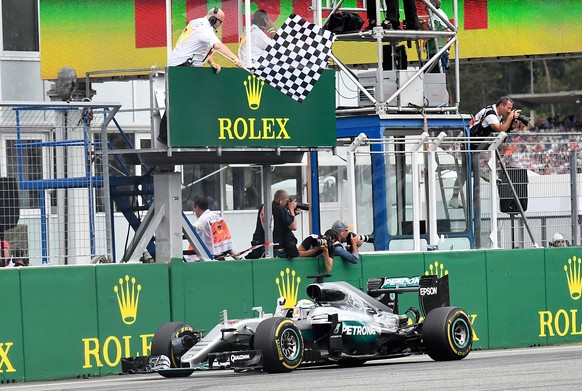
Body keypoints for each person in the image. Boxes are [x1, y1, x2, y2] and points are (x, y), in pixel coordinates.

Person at [159, 7, 243, 144]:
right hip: (183, 68)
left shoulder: (196, 23)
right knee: (179, 104)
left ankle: (169, 136)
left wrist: (212, 62)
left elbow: (199, 47)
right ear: (213, 20)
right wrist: (235, 59)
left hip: (181, 67)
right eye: (220, 22)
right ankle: (169, 137)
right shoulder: (205, 29)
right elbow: (217, 46)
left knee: (178, 102)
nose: (220, 25)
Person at [449, 96, 522, 208]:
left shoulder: (497, 114)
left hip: (474, 142)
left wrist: (511, 125)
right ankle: (486, 171)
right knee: (464, 172)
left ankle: (484, 172)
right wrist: (510, 117)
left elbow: (503, 128)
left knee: (465, 172)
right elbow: (499, 129)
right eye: (508, 108)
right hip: (470, 143)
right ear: (501, 105)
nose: (509, 111)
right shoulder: (491, 115)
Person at [247, 190, 301, 259]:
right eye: (287, 202)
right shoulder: (280, 209)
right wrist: (291, 210)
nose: (288, 204)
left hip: (260, 247)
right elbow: (294, 227)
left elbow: (277, 221)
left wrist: (290, 216)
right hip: (276, 249)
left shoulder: (264, 207)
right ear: (281, 201)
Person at [420, 0, 450, 73]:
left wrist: (422, 23)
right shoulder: (438, 14)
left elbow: (431, 34)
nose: (424, 8)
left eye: (426, 6)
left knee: (435, 79)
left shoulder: (436, 17)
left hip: (437, 53)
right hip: (437, 52)